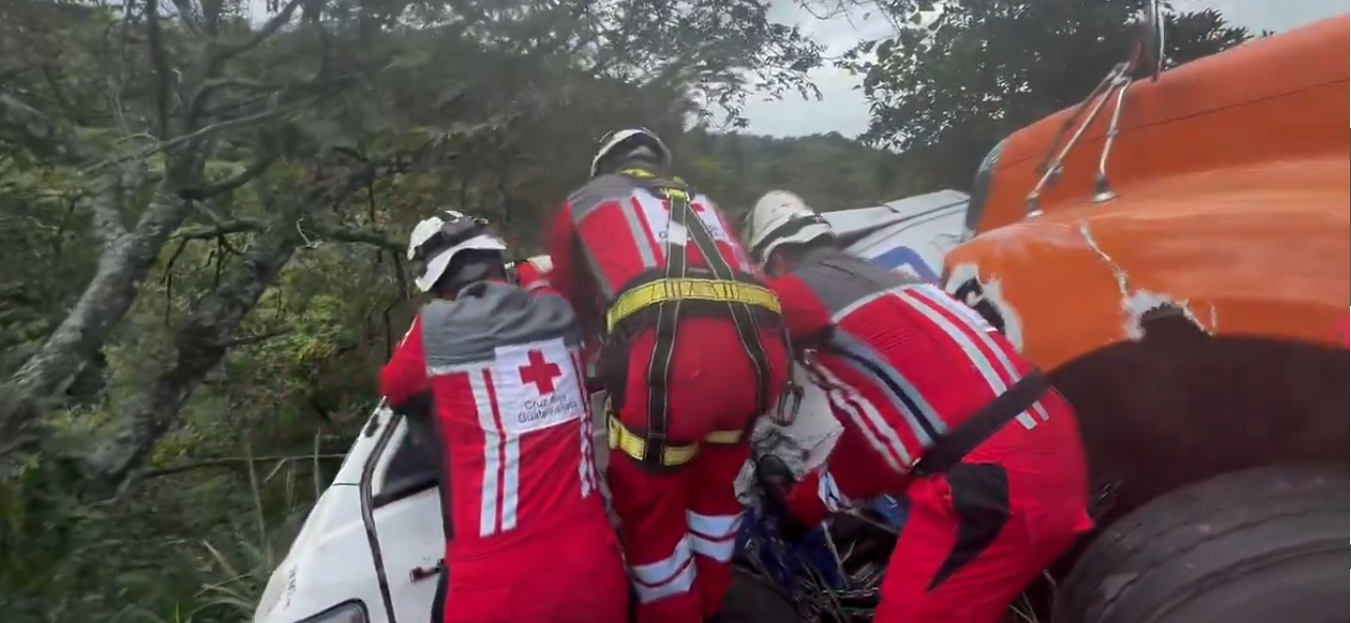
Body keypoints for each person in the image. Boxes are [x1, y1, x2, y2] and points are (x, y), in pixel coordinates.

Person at [743, 191, 1095, 623]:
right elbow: (873, 440)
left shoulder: (794, 292)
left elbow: (721, 342)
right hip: (1051, 448)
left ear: (776, 262)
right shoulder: (895, 282)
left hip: (995, 483)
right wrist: (808, 503)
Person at [541, 128, 796, 623]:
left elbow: (571, 297)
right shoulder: (703, 202)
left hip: (672, 374)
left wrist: (600, 357)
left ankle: (675, 614)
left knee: (651, 512)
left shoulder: (585, 201)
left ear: (606, 168)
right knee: (715, 494)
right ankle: (716, 600)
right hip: (757, 364)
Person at [379, 211, 629, 623]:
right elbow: (538, 277)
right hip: (594, 566)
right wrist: (530, 272)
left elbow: (394, 387)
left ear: (437, 284)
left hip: (499, 588)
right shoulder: (557, 309)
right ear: (498, 261)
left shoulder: (434, 330)